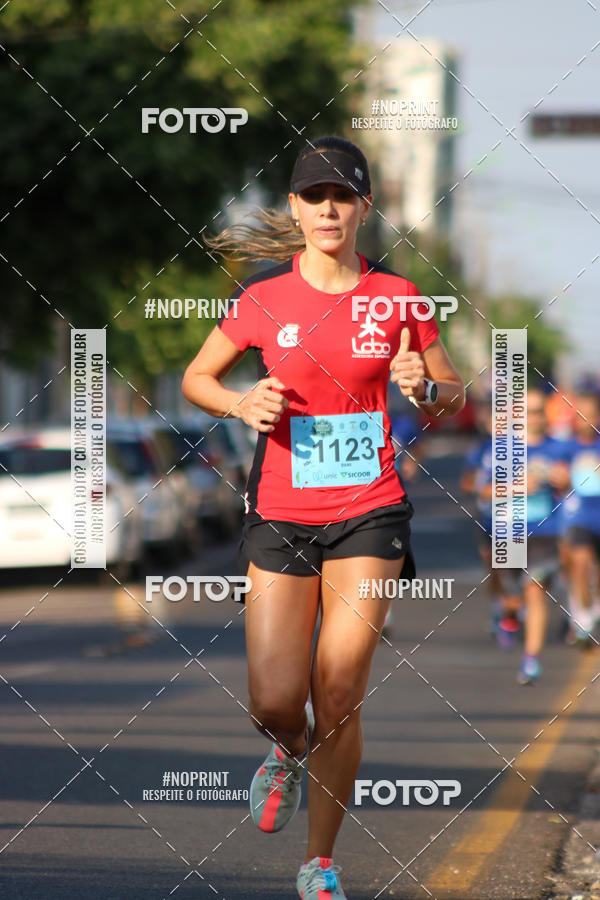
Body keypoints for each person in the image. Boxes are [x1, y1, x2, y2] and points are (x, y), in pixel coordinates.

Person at [181, 136, 465, 899]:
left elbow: (452, 393)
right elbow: (198, 377)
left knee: (339, 685)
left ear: (364, 207)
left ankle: (320, 861)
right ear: (295, 209)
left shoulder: (399, 296)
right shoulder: (264, 298)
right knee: (276, 699)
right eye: (314, 195)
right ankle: (287, 748)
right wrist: (241, 399)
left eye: (343, 194)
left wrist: (423, 386)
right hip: (279, 510)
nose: (329, 208)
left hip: (369, 509)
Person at [559, 391, 600, 645]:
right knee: (580, 561)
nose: (586, 419)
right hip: (578, 517)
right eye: (580, 414)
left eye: (591, 414)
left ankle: (591, 607)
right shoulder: (565, 447)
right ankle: (582, 617)